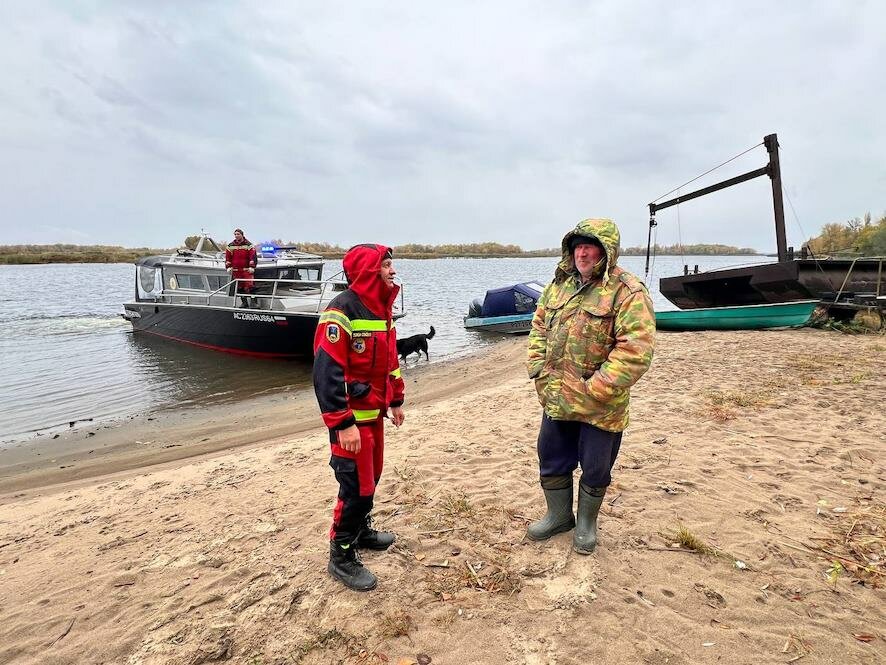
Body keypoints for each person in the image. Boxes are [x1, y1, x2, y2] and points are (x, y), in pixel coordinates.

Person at [526, 218, 655, 554]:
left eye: (590, 246)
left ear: (606, 250)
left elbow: (635, 350)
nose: (582, 253)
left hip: (601, 404)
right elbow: (538, 328)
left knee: (596, 467)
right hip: (556, 395)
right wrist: (538, 369)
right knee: (552, 458)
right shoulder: (559, 285)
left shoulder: (628, 291)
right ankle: (558, 517)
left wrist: (594, 387)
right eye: (577, 246)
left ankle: (585, 523)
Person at [312, 244, 405, 591]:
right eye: (386, 265)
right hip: (351, 423)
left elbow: (391, 361)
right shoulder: (341, 311)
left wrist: (396, 399)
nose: (392, 271)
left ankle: (362, 531)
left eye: (391, 264)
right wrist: (342, 423)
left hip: (375, 417)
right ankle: (341, 555)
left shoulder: (382, 309)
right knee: (354, 487)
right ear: (369, 270)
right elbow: (327, 373)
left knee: (372, 480)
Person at [225, 228, 257, 308]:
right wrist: (228, 267)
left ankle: (254, 303)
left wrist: (252, 266)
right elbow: (228, 257)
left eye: (238, 234)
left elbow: (253, 257)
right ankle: (244, 302)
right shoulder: (230, 246)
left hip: (246, 270)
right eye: (235, 234)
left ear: (242, 235)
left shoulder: (249, 245)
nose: (236, 236)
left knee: (250, 286)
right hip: (236, 270)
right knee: (240, 287)